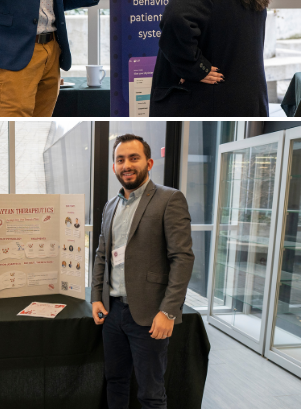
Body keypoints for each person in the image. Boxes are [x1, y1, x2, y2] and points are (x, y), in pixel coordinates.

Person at [91, 134, 194, 409]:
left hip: (150, 315)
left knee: (150, 394)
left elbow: (182, 258)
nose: (127, 165)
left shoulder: (169, 199)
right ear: (114, 166)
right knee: (115, 381)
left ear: (148, 163)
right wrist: (96, 297)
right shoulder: (110, 206)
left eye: (133, 158)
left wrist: (169, 311)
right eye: (120, 159)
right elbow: (102, 254)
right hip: (112, 313)